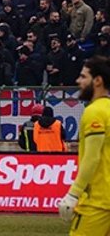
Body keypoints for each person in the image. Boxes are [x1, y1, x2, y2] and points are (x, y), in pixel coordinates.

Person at [58, 57, 110, 234]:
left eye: (83, 77)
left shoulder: (94, 111)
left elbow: (92, 157)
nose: (78, 81)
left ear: (97, 81)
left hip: (97, 201)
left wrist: (74, 193)